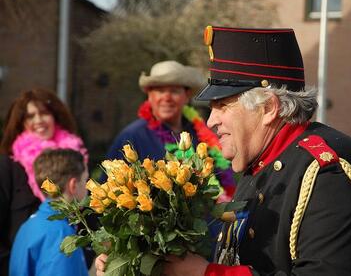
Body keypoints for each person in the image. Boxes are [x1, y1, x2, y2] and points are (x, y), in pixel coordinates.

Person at [96, 26, 351, 276]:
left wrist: (208, 275)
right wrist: (143, 258)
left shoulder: (329, 176)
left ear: (268, 108)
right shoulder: (262, 163)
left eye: (222, 106)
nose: (212, 121)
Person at [105, 60, 235, 200]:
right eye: (160, 91)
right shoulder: (132, 136)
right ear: (150, 96)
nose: (167, 98)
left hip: (209, 219)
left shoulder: (201, 132)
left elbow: (221, 175)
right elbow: (110, 190)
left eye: (174, 91)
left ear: (186, 96)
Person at [0, 88, 88, 274]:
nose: (38, 120)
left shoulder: (75, 159)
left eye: (44, 113)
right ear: (21, 123)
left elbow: (89, 216)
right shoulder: (8, 166)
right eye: (30, 116)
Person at [9, 148, 89, 276]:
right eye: (86, 180)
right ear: (73, 185)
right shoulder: (61, 234)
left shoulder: (30, 224)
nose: (88, 188)